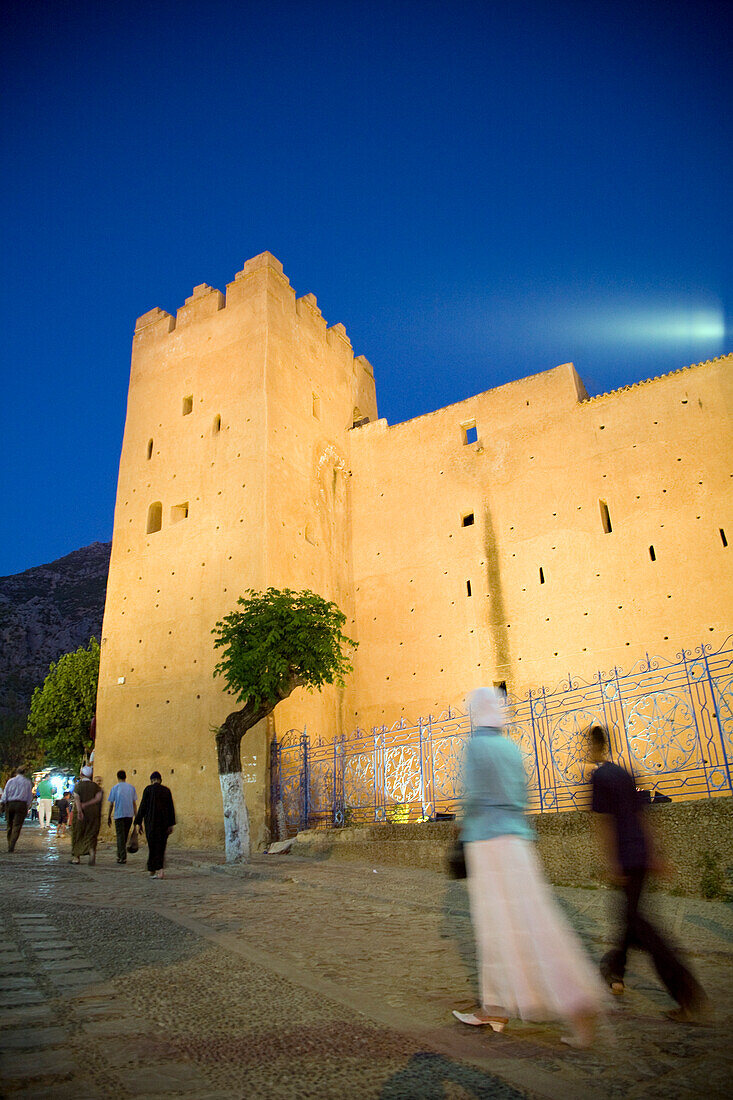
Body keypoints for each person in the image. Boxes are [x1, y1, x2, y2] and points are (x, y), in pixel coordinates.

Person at [452, 687, 605, 1048]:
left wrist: (463, 824)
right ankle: (499, 1008)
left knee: (497, 929)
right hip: (518, 842)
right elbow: (522, 795)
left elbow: (473, 796)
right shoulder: (512, 748)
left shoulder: (477, 746)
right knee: (534, 922)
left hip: (487, 845)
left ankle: (513, 1007)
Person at [588, 725, 710, 1022]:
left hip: (626, 858)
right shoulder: (624, 773)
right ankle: (615, 971)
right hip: (640, 852)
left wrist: (612, 862)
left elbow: (604, 824)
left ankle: (687, 994)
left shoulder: (599, 777)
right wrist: (655, 854)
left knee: (639, 925)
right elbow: (644, 814)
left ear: (593, 746)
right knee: (628, 917)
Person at [134, 771, 175, 879]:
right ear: (160, 780)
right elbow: (171, 808)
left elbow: (143, 806)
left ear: (152, 780)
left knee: (152, 846)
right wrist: (171, 824)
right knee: (161, 846)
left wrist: (138, 822)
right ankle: (154, 869)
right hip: (164, 824)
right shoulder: (166, 791)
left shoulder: (148, 790)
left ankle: (157, 870)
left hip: (151, 823)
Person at [70, 765, 103, 865]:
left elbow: (77, 799)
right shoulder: (96, 787)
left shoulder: (78, 786)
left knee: (78, 833)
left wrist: (80, 810)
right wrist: (88, 804)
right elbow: (98, 799)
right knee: (91, 832)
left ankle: (76, 857)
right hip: (93, 812)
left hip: (82, 812)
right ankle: (91, 851)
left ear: (81, 774)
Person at [107, 770, 138, 864]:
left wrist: (108, 815)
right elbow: (134, 803)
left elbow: (111, 804)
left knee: (120, 837)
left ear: (118, 777)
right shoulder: (131, 788)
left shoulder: (115, 788)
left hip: (119, 815)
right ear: (125, 777)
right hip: (129, 815)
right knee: (124, 836)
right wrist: (136, 816)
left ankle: (122, 857)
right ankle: (119, 855)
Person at [1, 767, 34, 852]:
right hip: (21, 804)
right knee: (17, 825)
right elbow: (29, 796)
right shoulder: (27, 782)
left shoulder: (11, 781)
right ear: (24, 773)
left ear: (16, 772)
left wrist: (3, 803)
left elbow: (5, 793)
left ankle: (9, 842)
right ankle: (12, 844)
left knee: (9, 824)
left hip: (10, 803)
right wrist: (27, 805)